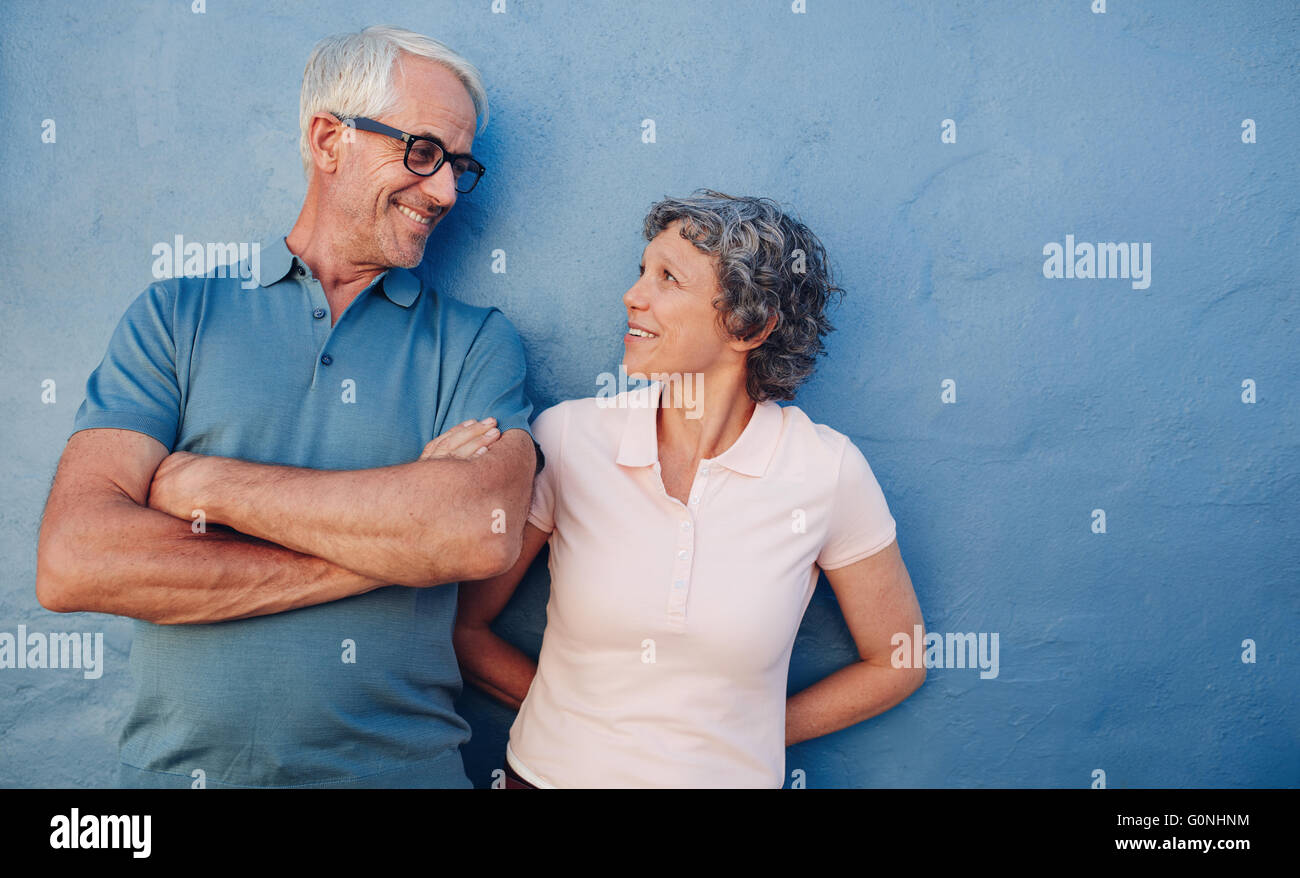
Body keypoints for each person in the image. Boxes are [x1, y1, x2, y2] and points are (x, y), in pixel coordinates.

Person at [35, 26, 538, 789]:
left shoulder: (477, 343)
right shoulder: (177, 315)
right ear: (329, 138)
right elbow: (77, 561)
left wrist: (207, 484)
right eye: (424, 152)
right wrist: (392, 547)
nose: (443, 191)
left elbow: (477, 531)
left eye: (457, 166)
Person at [453, 190, 927, 788]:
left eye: (668, 278)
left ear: (750, 325)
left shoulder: (825, 471)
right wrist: (586, 725)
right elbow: (463, 626)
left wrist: (739, 733)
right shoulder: (571, 440)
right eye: (641, 271)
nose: (633, 295)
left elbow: (898, 660)